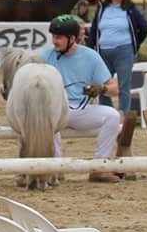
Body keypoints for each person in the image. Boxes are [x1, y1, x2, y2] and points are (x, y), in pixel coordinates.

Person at [42, 14, 121, 183]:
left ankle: (99, 167)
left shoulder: (91, 56)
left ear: (72, 39)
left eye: (59, 37)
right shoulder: (43, 56)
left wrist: (102, 89)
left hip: (81, 109)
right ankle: (56, 168)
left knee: (112, 116)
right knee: (46, 115)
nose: (54, 41)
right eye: (54, 37)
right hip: (55, 110)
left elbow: (115, 89)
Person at [86, 0, 147, 116]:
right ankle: (107, 114)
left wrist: (134, 45)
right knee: (103, 85)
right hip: (103, 52)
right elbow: (94, 29)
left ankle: (123, 115)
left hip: (124, 51)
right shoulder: (102, 8)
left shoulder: (130, 9)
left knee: (123, 85)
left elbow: (144, 28)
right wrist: (91, 50)